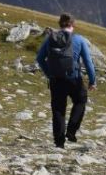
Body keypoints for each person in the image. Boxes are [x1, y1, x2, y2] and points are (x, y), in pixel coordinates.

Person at [36, 13, 97, 148]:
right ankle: (71, 131)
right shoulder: (79, 40)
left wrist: (49, 73)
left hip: (56, 80)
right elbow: (88, 62)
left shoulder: (50, 39)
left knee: (58, 110)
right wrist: (92, 80)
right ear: (72, 25)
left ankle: (59, 143)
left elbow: (40, 58)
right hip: (74, 79)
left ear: (60, 24)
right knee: (80, 100)